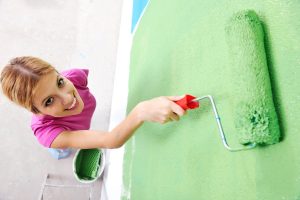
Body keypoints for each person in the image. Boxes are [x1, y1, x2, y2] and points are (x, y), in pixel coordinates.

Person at [0, 56, 185, 158]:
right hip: (60, 138)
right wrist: (141, 112)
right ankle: (60, 151)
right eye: (49, 101)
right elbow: (111, 140)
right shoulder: (49, 133)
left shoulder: (75, 76)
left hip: (77, 126)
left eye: (59, 82)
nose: (67, 98)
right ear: (36, 111)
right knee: (62, 150)